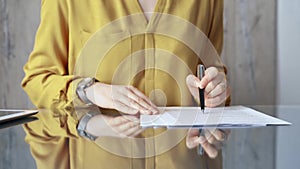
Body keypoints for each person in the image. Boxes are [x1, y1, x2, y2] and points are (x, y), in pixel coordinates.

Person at [21, 0, 231, 169]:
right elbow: (38, 78)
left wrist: (215, 90)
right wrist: (90, 91)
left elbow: (213, 70)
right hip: (92, 150)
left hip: (187, 155)